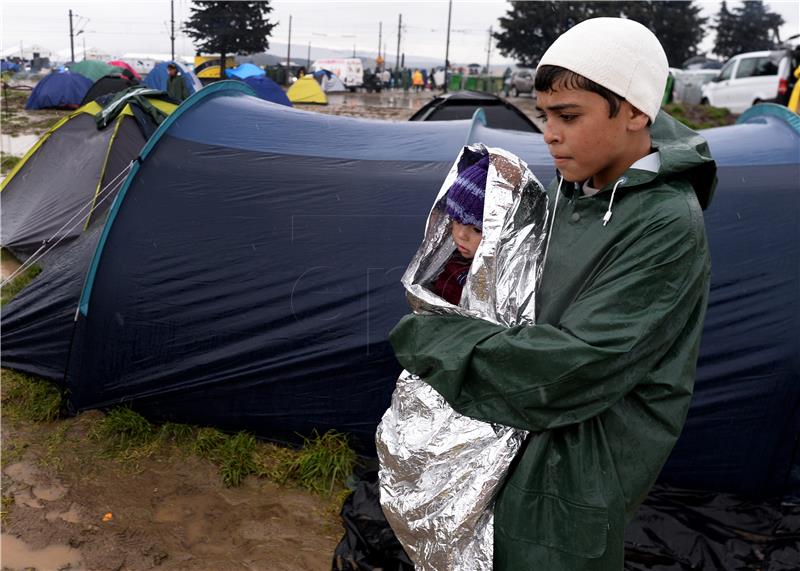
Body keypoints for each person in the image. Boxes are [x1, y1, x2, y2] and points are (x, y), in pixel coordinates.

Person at [388, 17, 716, 570]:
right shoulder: (580, 183)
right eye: (544, 116)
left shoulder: (666, 226)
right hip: (520, 422)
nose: (549, 134)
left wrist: (437, 341)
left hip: (584, 455)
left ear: (636, 112)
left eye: (568, 116)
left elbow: (579, 364)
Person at [430, 156, 488, 305]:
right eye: (456, 221)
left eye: (476, 229)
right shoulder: (451, 267)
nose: (461, 235)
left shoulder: (497, 282)